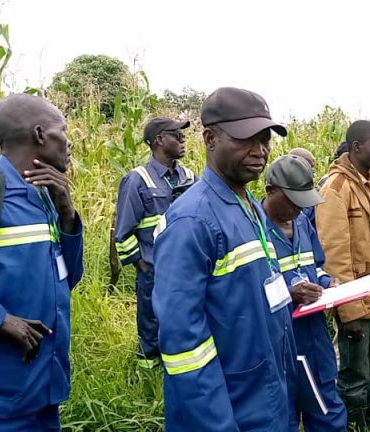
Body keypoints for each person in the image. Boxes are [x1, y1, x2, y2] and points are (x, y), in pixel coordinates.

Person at [152, 87, 293, 431]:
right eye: (247, 139)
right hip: (227, 408)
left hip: (266, 393)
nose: (260, 151)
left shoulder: (250, 207)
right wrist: (217, 423)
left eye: (265, 140)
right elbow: (183, 345)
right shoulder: (193, 221)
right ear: (211, 139)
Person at [0, 93, 84, 430]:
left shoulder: (43, 195)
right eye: (62, 131)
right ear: (39, 135)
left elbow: (68, 278)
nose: (68, 143)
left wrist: (67, 215)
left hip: (42, 395)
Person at [316, 120, 370, 430]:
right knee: (354, 376)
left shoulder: (369, 183)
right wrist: (347, 311)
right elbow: (335, 257)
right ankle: (351, 426)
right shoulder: (336, 188)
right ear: (355, 148)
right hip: (356, 304)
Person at [261, 155, 347, 432]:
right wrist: (289, 292)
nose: (299, 209)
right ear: (270, 191)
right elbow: (244, 292)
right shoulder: (253, 229)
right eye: (292, 201)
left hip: (313, 334)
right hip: (278, 339)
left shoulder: (301, 224)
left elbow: (316, 265)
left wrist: (325, 281)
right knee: (281, 413)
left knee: (326, 407)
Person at [113, 118, 197, 369]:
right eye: (177, 136)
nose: (183, 140)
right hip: (153, 268)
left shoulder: (190, 176)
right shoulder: (137, 180)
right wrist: (143, 265)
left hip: (187, 266)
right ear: (159, 140)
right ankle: (148, 370)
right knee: (151, 320)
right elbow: (123, 232)